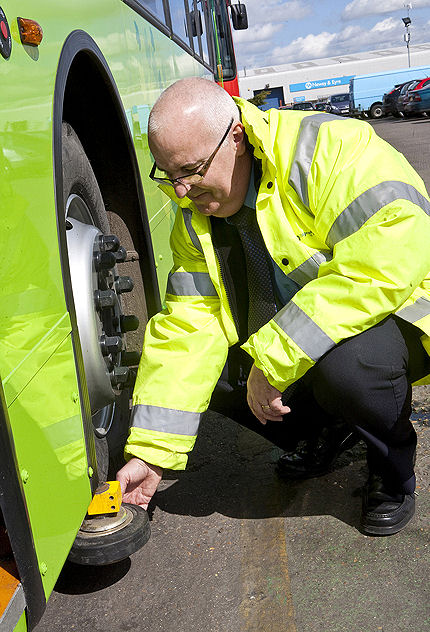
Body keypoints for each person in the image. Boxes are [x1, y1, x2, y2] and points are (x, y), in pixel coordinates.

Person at [116, 77, 430, 535]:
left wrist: (272, 358)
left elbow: (383, 263)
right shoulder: (194, 217)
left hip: (397, 317)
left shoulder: (331, 148)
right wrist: (150, 454)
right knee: (216, 373)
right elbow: (189, 329)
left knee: (352, 365)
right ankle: (328, 430)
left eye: (192, 170)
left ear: (237, 138)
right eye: (168, 174)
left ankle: (392, 468)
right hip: (300, 340)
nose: (182, 192)